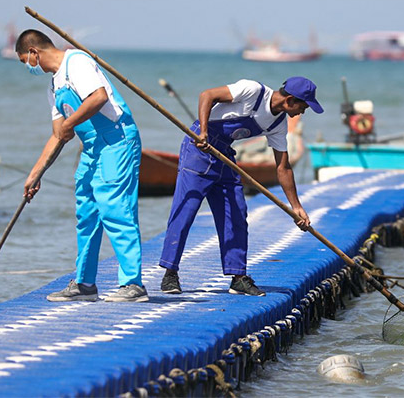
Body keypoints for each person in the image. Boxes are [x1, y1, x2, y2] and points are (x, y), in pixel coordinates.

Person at [16, 29, 148, 302]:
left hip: (117, 140)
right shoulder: (54, 87)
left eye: (25, 61)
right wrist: (35, 175)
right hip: (91, 148)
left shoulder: (76, 62)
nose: (28, 67)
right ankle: (85, 284)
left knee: (116, 209)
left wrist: (70, 123)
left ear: (33, 52)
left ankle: (133, 284)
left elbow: (98, 97)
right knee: (86, 213)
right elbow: (59, 135)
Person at [159, 77, 321, 296]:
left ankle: (237, 277)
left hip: (224, 154)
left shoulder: (278, 124)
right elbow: (207, 95)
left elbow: (283, 167)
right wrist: (203, 132)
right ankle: (170, 273)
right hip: (198, 149)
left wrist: (296, 206)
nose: (302, 112)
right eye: (303, 106)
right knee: (186, 210)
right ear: (290, 100)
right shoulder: (253, 91)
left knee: (236, 211)